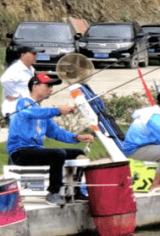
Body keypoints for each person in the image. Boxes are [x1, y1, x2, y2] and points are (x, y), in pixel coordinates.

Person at [7, 74, 94, 206]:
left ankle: (76, 191)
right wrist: (58, 110)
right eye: (48, 85)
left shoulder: (43, 112)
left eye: (52, 86)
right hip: (20, 152)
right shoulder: (23, 103)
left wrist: (78, 137)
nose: (51, 89)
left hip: (36, 151)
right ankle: (53, 193)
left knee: (77, 153)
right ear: (35, 86)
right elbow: (31, 113)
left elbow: (56, 132)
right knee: (57, 154)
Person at [0, 46, 36, 118]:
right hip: (14, 111)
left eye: (36, 54)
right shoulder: (16, 68)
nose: (35, 56)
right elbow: (4, 80)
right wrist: (15, 94)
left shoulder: (31, 69)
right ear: (23, 55)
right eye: (33, 54)